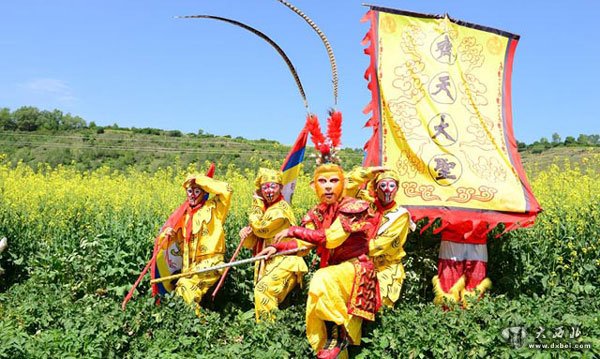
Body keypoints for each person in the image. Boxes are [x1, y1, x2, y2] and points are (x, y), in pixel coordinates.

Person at [259, 161, 380, 359]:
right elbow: (304, 244)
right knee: (317, 318)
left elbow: (330, 239)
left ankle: (337, 337)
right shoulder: (317, 212)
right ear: (314, 185)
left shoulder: (353, 206)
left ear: (343, 183)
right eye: (322, 181)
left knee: (321, 279)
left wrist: (293, 230)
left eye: (334, 180)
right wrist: (276, 247)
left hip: (354, 268)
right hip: (333, 272)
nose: (328, 186)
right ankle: (333, 346)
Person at [156, 166, 232, 316]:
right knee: (180, 293)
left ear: (204, 192)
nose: (192, 195)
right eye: (189, 191)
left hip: (211, 263)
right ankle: (195, 323)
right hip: (190, 268)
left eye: (197, 191)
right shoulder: (183, 215)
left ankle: (197, 325)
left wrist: (201, 180)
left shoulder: (214, 208)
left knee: (185, 286)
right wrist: (167, 234)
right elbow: (170, 243)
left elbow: (227, 190)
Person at [238, 168, 308, 321]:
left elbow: (261, 229)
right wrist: (246, 234)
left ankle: (266, 333)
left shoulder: (281, 210)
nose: (269, 191)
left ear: (280, 188)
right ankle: (271, 331)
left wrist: (256, 203)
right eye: (265, 187)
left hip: (286, 260)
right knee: (265, 294)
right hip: (270, 261)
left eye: (273, 186)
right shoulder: (267, 210)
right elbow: (254, 242)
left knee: (264, 290)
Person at [346, 168, 415, 307]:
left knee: (377, 306)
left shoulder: (401, 215)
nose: (387, 190)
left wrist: (350, 250)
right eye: (383, 185)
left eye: (391, 186)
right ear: (376, 189)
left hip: (385, 268)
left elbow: (383, 245)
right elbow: (345, 188)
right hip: (358, 263)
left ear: (397, 189)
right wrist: (366, 174)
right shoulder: (366, 204)